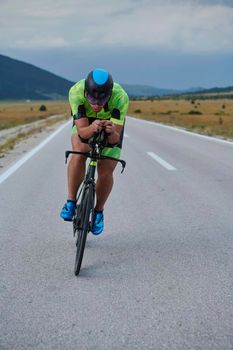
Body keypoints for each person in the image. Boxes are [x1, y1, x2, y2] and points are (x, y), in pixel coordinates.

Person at [60, 68, 129, 235]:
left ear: (109, 94)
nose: (96, 104)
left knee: (106, 169)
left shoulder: (120, 97)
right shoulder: (76, 92)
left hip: (110, 125)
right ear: (86, 92)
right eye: (91, 98)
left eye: (102, 99)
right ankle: (70, 201)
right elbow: (82, 132)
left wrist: (111, 131)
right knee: (79, 152)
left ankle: (98, 211)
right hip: (85, 122)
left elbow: (114, 140)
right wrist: (91, 127)